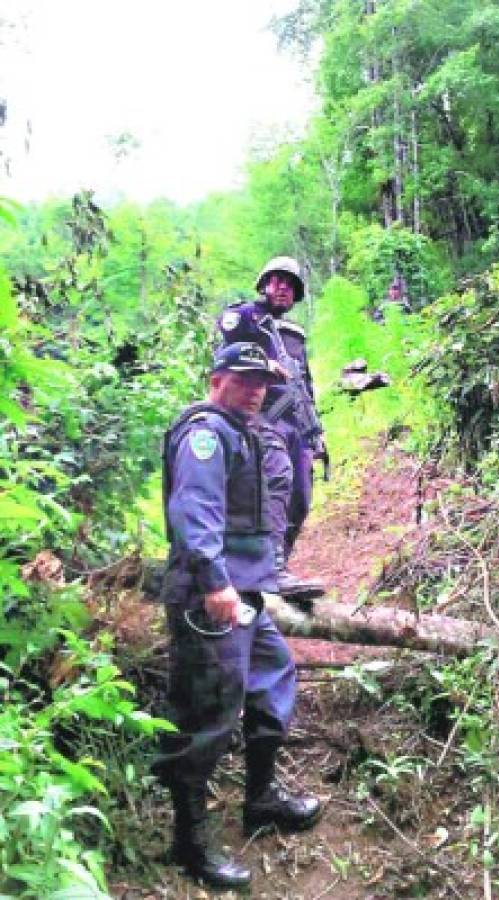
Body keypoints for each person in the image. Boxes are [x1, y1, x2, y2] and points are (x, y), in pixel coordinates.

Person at [153, 342, 321, 891]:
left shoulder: (241, 429)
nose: (255, 391)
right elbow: (193, 510)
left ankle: (261, 799)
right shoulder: (206, 433)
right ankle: (190, 839)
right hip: (211, 596)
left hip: (242, 592)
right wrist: (214, 581)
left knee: (273, 680)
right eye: (244, 380)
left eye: (262, 384)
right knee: (209, 713)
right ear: (217, 378)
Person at [217, 256, 326, 600]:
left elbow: (305, 384)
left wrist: (317, 433)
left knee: (301, 498)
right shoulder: (247, 316)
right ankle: (270, 568)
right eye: (276, 282)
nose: (282, 289)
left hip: (297, 424)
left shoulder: (294, 336)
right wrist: (265, 363)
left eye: (289, 285)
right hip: (261, 417)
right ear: (264, 285)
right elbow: (228, 350)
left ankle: (278, 566)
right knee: (275, 481)